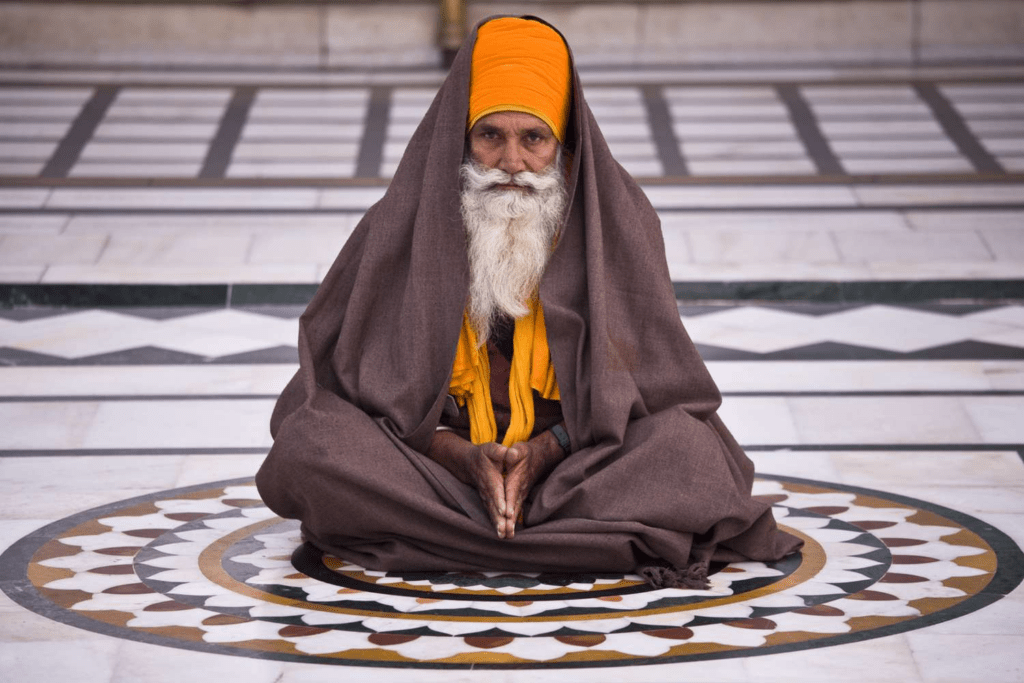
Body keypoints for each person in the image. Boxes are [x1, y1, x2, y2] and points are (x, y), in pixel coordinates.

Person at [256, 16, 801, 588]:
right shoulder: (399, 225)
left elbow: (657, 389)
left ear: (564, 145)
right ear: (460, 138)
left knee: (690, 458)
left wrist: (546, 450)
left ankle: (460, 534)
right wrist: (459, 455)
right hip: (435, 463)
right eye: (490, 136)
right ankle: (571, 538)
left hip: (578, 465)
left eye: (534, 139)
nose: (511, 164)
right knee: (309, 448)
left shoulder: (621, 222)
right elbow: (348, 384)